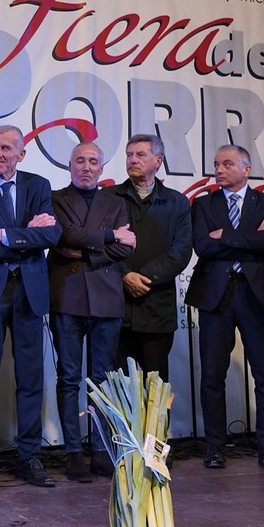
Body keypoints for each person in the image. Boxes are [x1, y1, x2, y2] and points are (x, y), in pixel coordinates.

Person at [0, 125, 61, 492]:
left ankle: (29, 456)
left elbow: (51, 235)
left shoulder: (39, 186)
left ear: (21, 154)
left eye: (6, 148)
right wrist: (24, 234)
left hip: (29, 291)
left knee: (31, 379)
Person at [185, 145, 264, 473]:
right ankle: (215, 446)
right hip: (215, 295)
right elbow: (204, 246)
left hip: (256, 294)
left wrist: (227, 236)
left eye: (227, 164)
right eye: (216, 164)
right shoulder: (204, 204)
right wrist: (250, 238)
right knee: (212, 375)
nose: (219, 169)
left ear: (246, 169)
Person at [47, 142, 135, 482]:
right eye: (80, 161)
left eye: (93, 161)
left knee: (102, 380)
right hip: (67, 297)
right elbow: (62, 236)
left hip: (106, 300)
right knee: (69, 377)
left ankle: (101, 450)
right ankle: (73, 452)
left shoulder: (116, 203)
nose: (86, 167)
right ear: (69, 166)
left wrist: (81, 252)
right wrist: (107, 238)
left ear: (102, 168)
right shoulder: (55, 199)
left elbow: (124, 250)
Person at [112, 134, 192, 381]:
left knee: (156, 388)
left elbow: (180, 253)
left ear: (158, 161)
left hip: (156, 310)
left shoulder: (176, 202)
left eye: (140, 154)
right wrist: (124, 275)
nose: (132, 160)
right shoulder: (109, 198)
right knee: (117, 389)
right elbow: (101, 247)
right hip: (116, 309)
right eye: (129, 155)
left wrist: (141, 277)